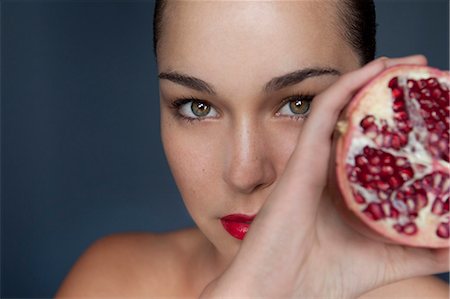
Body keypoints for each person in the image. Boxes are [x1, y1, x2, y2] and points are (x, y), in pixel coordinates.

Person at [55, 0, 449, 297]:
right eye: (197, 107)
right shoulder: (115, 282)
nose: (245, 173)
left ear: (369, 95)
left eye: (299, 105)